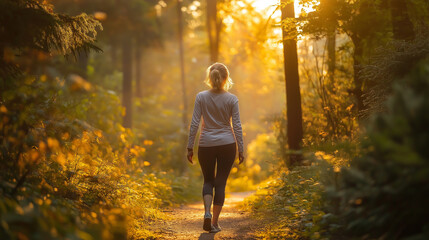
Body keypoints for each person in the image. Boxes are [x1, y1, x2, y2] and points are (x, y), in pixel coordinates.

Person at [187, 62, 244, 233]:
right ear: (226, 78)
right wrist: (241, 148)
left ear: (209, 78)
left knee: (208, 181)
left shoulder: (201, 97)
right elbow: (238, 126)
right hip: (227, 144)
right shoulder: (232, 99)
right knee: (220, 183)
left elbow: (195, 123)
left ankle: (206, 213)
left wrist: (190, 146)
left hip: (206, 144)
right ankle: (215, 223)